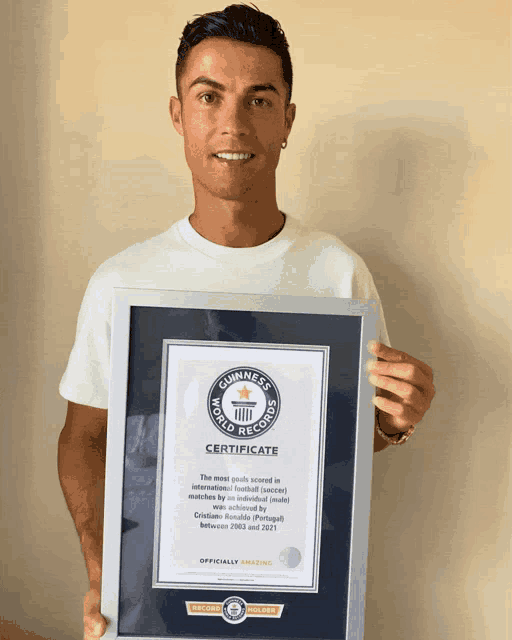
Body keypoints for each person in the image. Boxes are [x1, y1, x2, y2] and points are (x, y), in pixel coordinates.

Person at [57, 4, 435, 638]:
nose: (232, 124)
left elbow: (335, 438)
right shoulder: (122, 283)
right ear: (178, 114)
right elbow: (83, 440)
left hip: (294, 610)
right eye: (209, 97)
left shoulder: (338, 274)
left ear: (287, 119)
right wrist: (103, 570)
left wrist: (393, 423)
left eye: (260, 101)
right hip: (157, 611)